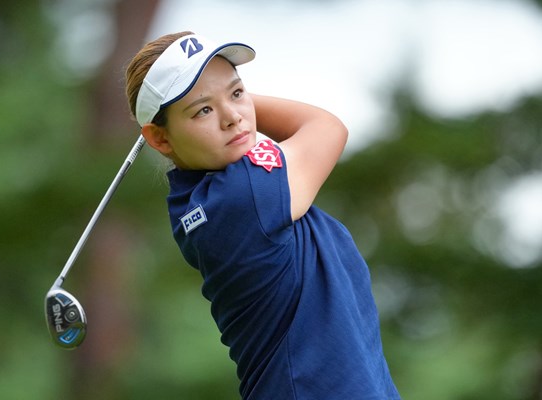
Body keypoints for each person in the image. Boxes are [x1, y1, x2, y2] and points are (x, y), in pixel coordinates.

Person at [124, 31, 401, 400]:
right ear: (159, 139)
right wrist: (227, 91)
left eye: (238, 93)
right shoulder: (245, 196)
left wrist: (208, 95)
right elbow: (325, 127)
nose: (232, 118)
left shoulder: (197, 203)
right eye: (203, 110)